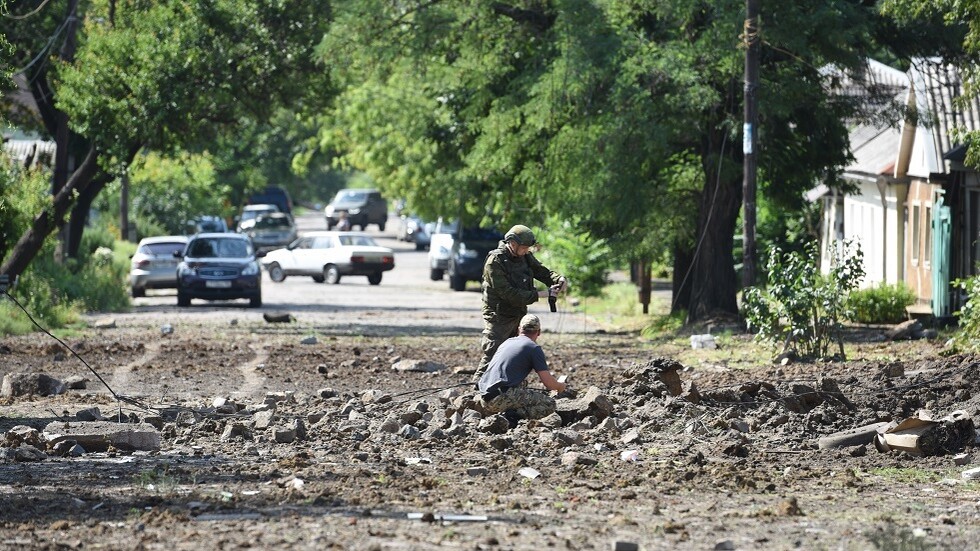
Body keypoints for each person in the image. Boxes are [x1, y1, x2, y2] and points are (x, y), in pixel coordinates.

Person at [476, 224, 566, 379]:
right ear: (512, 243)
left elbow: (540, 271)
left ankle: (508, 388)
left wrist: (558, 279)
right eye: (524, 248)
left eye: (527, 248)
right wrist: (542, 294)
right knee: (493, 353)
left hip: (518, 313)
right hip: (499, 316)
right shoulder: (495, 261)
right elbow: (508, 293)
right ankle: (475, 391)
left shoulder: (524, 256)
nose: (526, 251)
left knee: (514, 354)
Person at [477, 314, 570, 426]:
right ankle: (511, 417)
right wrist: (560, 386)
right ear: (539, 332)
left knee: (523, 384)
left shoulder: (507, 342)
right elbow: (549, 384)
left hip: (484, 397)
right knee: (549, 404)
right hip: (499, 398)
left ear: (519, 329)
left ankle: (504, 412)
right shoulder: (534, 348)